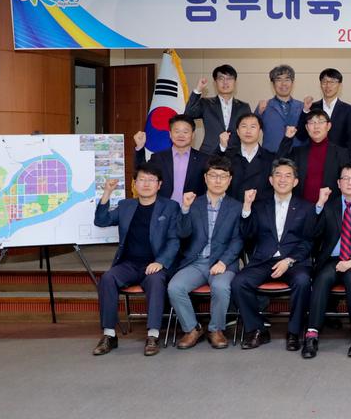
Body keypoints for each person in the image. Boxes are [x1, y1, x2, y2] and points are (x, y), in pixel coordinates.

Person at [92, 164, 180, 356]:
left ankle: (153, 335)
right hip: (129, 264)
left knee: (156, 281)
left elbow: (174, 240)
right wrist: (107, 193)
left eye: (151, 180)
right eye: (141, 179)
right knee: (107, 278)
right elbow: (101, 220)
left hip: (155, 263)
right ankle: (109, 335)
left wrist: (161, 262)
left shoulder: (170, 207)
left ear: (159, 184)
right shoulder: (126, 206)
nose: (146, 184)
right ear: (134, 184)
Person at [231, 158, 316, 351]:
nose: (282, 179)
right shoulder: (259, 205)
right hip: (263, 260)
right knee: (239, 282)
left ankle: (294, 332)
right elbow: (247, 234)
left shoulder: (306, 207)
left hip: (293, 261)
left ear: (295, 181)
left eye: (288, 176)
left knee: (303, 281)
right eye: (278, 175)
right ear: (271, 180)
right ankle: (257, 330)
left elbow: (308, 241)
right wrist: (246, 207)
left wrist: (289, 260)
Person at [302, 164, 351, 359]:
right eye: (345, 178)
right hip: (333, 259)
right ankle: (311, 334)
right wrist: (319, 205)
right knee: (322, 278)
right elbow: (311, 233)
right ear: (338, 183)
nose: (350, 182)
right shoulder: (329, 206)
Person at [166, 156, 244, 350]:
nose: (218, 180)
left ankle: (216, 329)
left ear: (229, 180)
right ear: (205, 178)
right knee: (175, 287)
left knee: (220, 287)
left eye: (223, 176)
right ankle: (192, 329)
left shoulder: (236, 207)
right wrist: (185, 208)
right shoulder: (194, 203)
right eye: (213, 175)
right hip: (196, 262)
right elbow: (182, 233)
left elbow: (238, 240)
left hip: (223, 262)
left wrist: (223, 262)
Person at [278, 108, 351, 204]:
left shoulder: (341, 153)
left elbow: (346, 182)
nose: (316, 126)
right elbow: (279, 164)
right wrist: (287, 139)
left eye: (320, 122)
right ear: (307, 127)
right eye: (312, 123)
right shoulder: (298, 152)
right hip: (301, 208)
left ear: (328, 126)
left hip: (330, 208)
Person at [133, 115, 209, 205]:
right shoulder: (159, 158)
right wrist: (140, 147)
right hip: (164, 209)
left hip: (193, 208)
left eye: (185, 132)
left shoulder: (203, 159)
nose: (181, 135)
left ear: (192, 135)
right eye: (177, 131)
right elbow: (141, 172)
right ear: (170, 134)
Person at [218, 113, 292, 203]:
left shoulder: (270, 158)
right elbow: (213, 170)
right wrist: (222, 147)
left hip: (261, 208)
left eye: (253, 127)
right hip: (233, 207)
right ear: (238, 131)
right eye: (244, 126)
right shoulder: (228, 156)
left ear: (260, 131)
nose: (248, 131)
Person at [183, 64, 253, 155]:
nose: (225, 82)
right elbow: (187, 114)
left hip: (235, 156)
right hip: (209, 154)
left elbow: (249, 131)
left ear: (235, 82)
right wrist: (198, 89)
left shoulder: (244, 107)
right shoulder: (206, 103)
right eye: (221, 78)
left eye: (229, 78)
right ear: (215, 82)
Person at [299, 68, 351, 150]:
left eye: (332, 82)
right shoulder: (312, 107)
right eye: (324, 82)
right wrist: (305, 110)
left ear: (339, 85)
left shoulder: (348, 110)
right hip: (314, 153)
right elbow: (301, 136)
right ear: (320, 84)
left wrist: (345, 157)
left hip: (339, 155)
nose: (328, 86)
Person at [254, 64, 305, 152]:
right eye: (279, 80)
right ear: (273, 84)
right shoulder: (264, 106)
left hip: (297, 156)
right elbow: (252, 128)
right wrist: (258, 113)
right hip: (271, 156)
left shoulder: (302, 106)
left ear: (292, 82)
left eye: (287, 79)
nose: (283, 84)